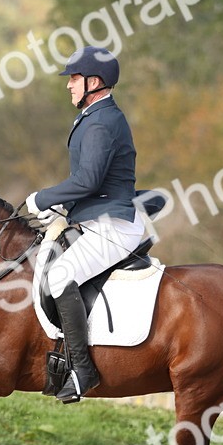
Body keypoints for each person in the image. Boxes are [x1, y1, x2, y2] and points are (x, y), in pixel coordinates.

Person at [25, 45, 145, 403]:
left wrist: (44, 197)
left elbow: (89, 180)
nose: (69, 85)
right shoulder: (94, 116)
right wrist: (63, 205)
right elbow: (93, 180)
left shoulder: (102, 121)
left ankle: (83, 369)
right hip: (96, 219)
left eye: (75, 78)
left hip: (112, 225)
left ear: (95, 82)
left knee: (60, 277)